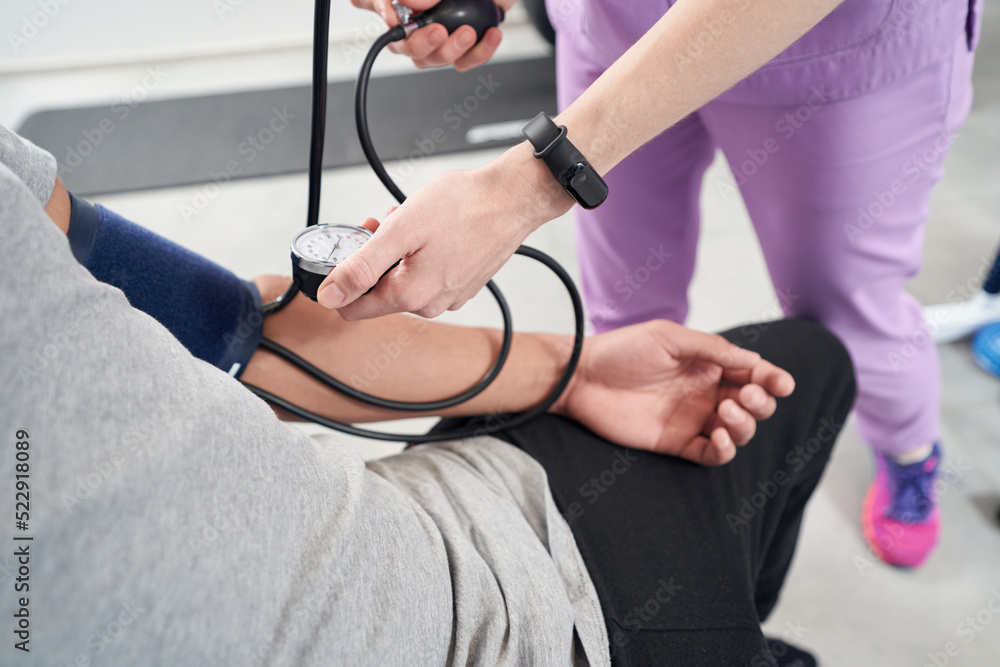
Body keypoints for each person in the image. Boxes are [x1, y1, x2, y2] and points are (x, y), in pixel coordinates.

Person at [0, 127, 855, 664]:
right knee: (804, 373)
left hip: (457, 529)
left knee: (798, 368)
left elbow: (244, 336)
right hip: (534, 623)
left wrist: (575, 372)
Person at [328, 0, 983, 568]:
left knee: (846, 314)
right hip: (619, 31)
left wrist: (526, 189)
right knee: (623, 305)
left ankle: (910, 451)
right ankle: (642, 455)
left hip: (831, 55)